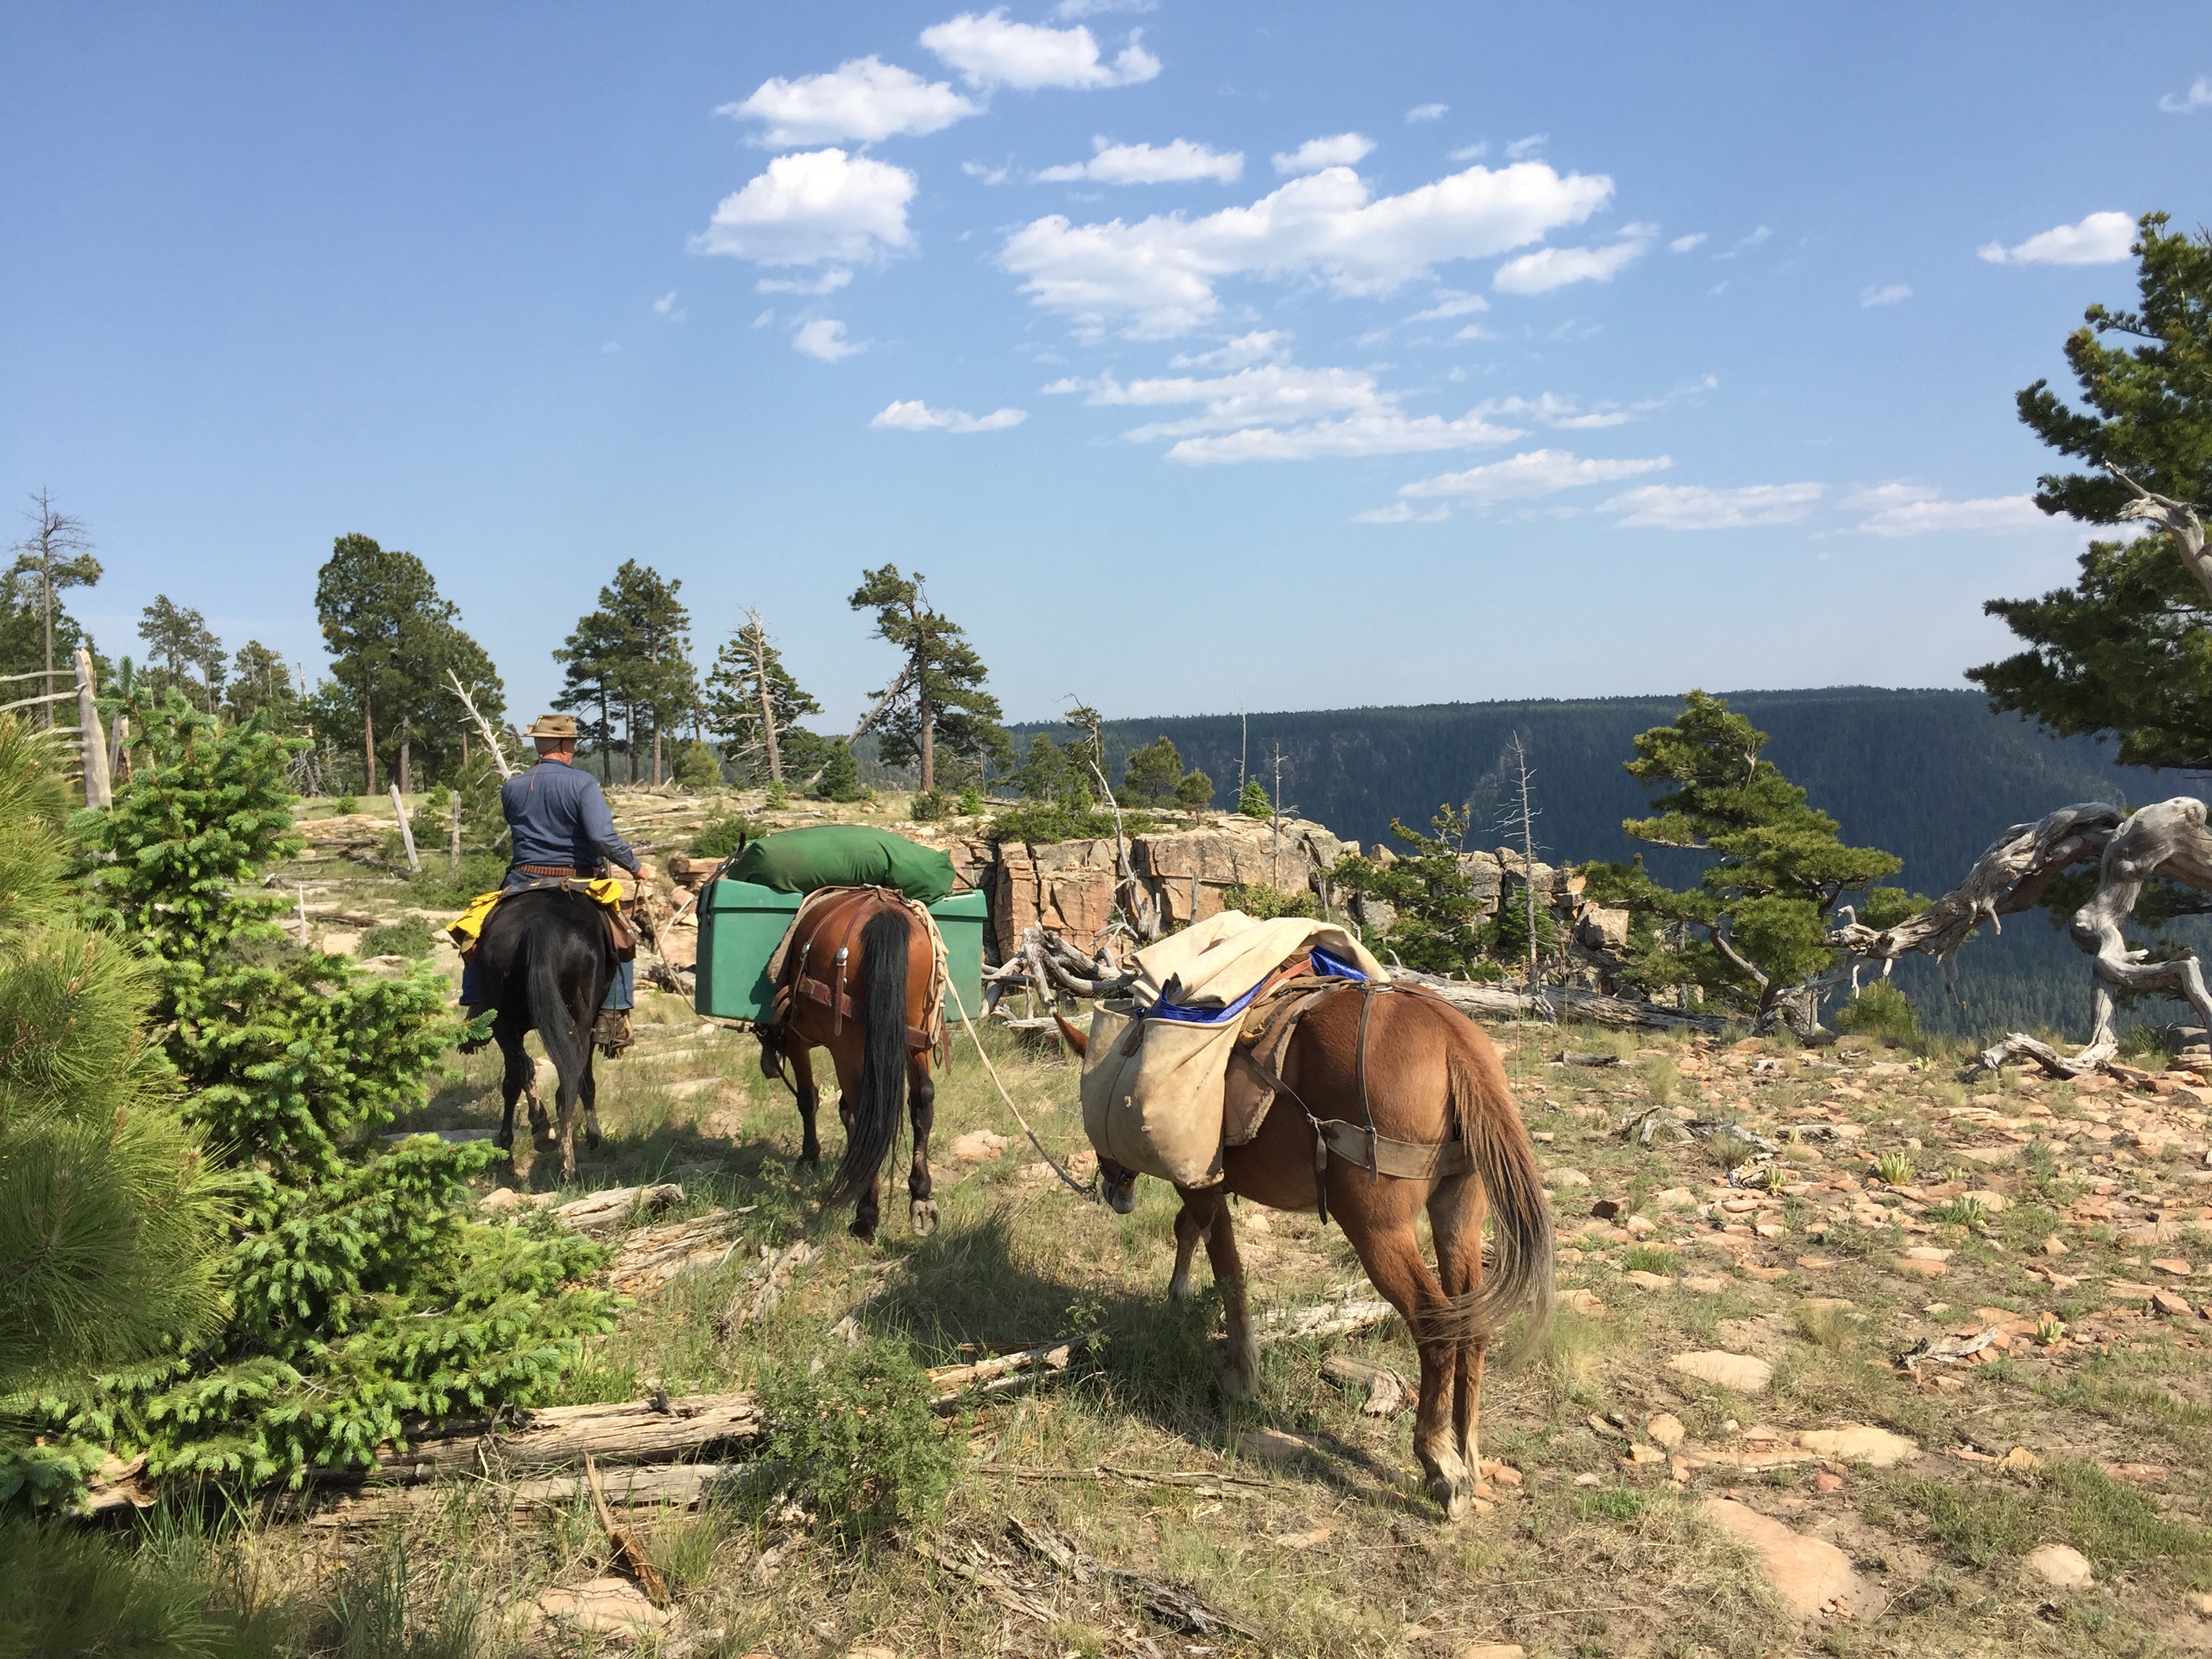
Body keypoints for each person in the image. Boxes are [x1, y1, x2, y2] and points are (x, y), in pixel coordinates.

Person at [458, 713, 649, 1054]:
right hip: (576, 878)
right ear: (564, 745)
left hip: (523, 878)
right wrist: (635, 866)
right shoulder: (583, 784)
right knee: (622, 940)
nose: (574, 747)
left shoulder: (513, 787)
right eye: (573, 742)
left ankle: (477, 1008)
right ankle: (613, 1013)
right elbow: (601, 836)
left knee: (477, 932)